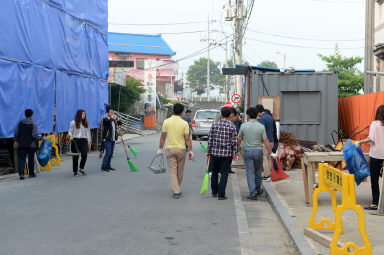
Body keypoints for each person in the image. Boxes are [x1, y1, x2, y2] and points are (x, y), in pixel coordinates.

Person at [158, 103, 194, 199]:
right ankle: (176, 189)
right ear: (182, 112)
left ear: (173, 110)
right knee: (180, 171)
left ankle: (176, 191)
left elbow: (163, 136)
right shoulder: (184, 123)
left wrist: (160, 149)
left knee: (172, 171)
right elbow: (187, 138)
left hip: (169, 150)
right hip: (181, 150)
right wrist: (191, 150)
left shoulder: (166, 122)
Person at [238, 107, 272, 200]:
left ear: (248, 115)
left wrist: (236, 147)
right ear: (257, 115)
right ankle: (257, 189)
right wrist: (270, 151)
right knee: (258, 171)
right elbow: (265, 140)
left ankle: (252, 193)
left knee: (250, 172)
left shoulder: (243, 126)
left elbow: (239, 138)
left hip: (247, 151)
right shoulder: (261, 126)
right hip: (258, 151)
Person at [355, 105, 384, 210]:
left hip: (376, 155)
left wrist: (360, 141)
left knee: (375, 180)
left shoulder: (375, 124)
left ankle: (375, 203)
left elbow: (371, 138)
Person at [207, 107, 238, 200]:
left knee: (214, 172)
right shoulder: (232, 126)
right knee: (224, 173)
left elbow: (210, 139)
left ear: (221, 114)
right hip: (226, 154)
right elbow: (234, 141)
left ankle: (214, 191)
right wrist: (236, 153)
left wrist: (208, 151)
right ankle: (221, 194)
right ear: (230, 115)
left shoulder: (214, 125)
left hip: (215, 153)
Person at [14, 109, 45, 180]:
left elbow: (16, 133)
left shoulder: (20, 123)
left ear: (25, 114)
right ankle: (31, 173)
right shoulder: (33, 124)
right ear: (32, 115)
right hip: (31, 145)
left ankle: (21, 174)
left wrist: (15, 141)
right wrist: (41, 138)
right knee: (31, 159)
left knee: (21, 159)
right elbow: (34, 136)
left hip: (21, 144)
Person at [68, 109, 92, 176]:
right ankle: (75, 171)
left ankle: (81, 168)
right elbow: (70, 131)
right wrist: (70, 136)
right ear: (79, 115)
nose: (84, 115)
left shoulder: (86, 123)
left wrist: (89, 141)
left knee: (84, 155)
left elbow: (88, 133)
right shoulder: (73, 122)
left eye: (85, 114)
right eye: (83, 114)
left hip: (84, 140)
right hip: (75, 140)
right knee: (75, 156)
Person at [255, 104, 275, 182]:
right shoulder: (270, 117)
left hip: (265, 141)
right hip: (271, 140)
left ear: (259, 112)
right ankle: (269, 174)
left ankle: (266, 175)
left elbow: (261, 131)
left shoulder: (262, 119)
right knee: (269, 158)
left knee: (264, 159)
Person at [101, 106, 121, 172]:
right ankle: (103, 166)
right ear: (108, 113)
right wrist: (113, 118)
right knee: (108, 152)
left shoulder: (113, 120)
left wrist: (118, 119)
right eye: (111, 112)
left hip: (113, 138)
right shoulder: (105, 119)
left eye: (113, 112)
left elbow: (120, 124)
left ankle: (108, 166)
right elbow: (108, 121)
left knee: (111, 153)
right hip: (107, 138)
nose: (112, 113)